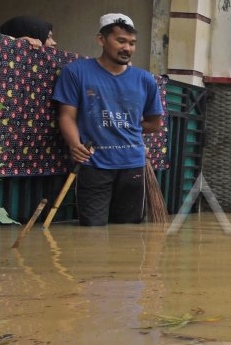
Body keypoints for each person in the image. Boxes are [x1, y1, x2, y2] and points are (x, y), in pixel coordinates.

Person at [52, 13, 164, 226]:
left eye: (132, 43)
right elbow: (66, 116)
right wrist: (75, 145)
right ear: (101, 40)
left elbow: (155, 123)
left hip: (133, 166)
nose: (127, 48)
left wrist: (124, 127)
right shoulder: (76, 72)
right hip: (94, 164)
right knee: (92, 230)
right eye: (120, 41)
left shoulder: (145, 80)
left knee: (128, 232)